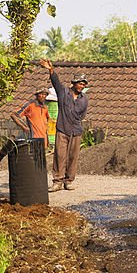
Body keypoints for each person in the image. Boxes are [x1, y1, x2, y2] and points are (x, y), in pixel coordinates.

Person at [39, 59, 89, 192]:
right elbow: (56, 82)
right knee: (60, 156)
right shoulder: (63, 93)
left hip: (76, 131)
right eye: (80, 83)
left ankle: (69, 181)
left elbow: (83, 115)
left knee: (73, 157)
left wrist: (75, 123)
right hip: (62, 130)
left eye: (84, 84)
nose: (82, 86)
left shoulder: (84, 99)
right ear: (74, 84)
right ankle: (57, 181)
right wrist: (50, 69)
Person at [11, 86, 50, 176]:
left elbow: (47, 120)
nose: (43, 96)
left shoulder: (45, 108)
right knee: (33, 162)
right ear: (37, 95)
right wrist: (23, 127)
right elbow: (14, 115)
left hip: (43, 140)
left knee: (41, 163)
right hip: (34, 138)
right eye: (41, 94)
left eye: (45, 94)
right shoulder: (30, 105)